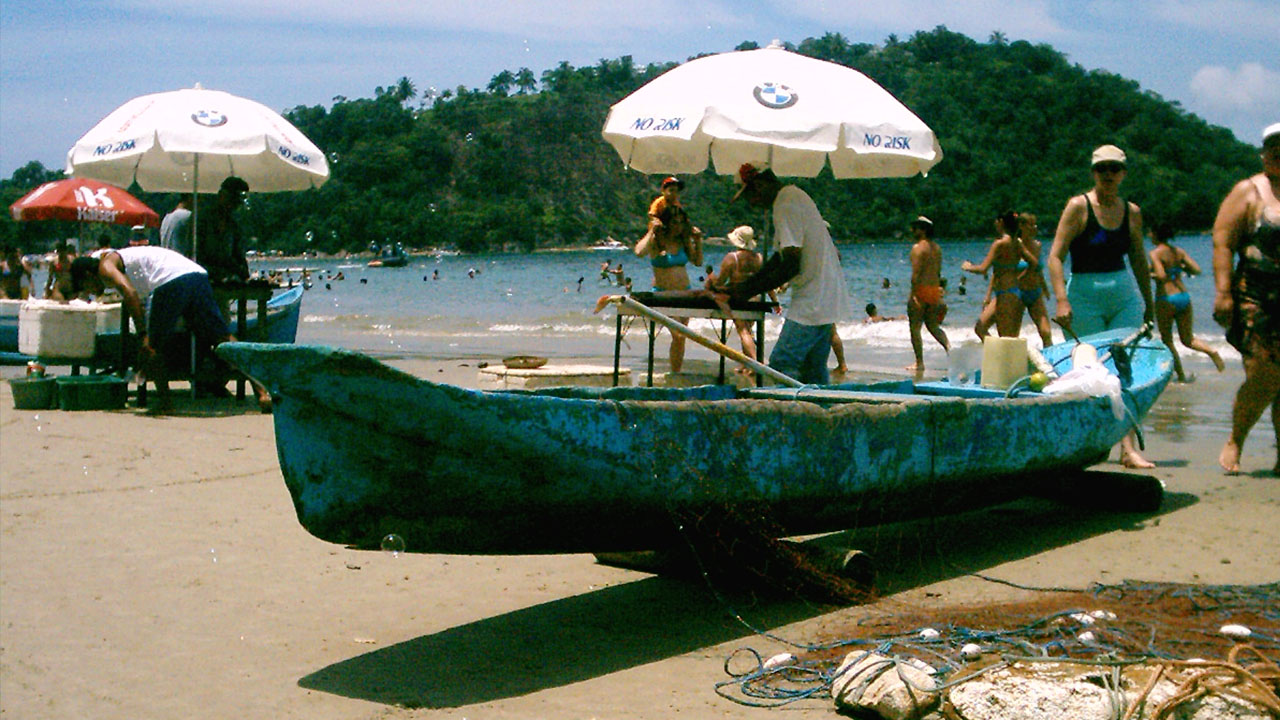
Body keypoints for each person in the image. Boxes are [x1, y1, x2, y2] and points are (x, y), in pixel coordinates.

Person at [1048, 144, 1155, 469]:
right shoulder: (1078, 207)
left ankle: (1127, 449)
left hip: (1123, 293)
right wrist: (1062, 299)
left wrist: (1148, 302)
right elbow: (1054, 257)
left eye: (1114, 169)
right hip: (1084, 294)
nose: (1108, 175)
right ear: (1093, 172)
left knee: (1127, 368)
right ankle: (1087, 440)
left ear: (1123, 173)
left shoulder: (1132, 211)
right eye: (1101, 169)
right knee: (1093, 369)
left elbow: (1138, 258)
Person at [69, 246, 272, 413]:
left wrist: (143, 334)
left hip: (169, 280)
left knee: (152, 347)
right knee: (222, 337)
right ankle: (262, 391)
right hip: (196, 274)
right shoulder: (119, 257)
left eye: (85, 286)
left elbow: (130, 294)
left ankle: (165, 403)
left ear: (88, 274)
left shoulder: (105, 266)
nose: (89, 292)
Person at [721, 163, 852, 384]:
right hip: (825, 296)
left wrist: (747, 290)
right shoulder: (792, 197)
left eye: (750, 195)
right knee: (813, 369)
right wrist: (746, 286)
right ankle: (821, 413)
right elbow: (777, 259)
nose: (752, 203)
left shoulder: (786, 204)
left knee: (782, 364)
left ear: (761, 185)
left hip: (813, 300)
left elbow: (791, 264)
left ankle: (790, 415)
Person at [1211, 122, 1280, 475]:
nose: (1279, 153)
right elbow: (1222, 241)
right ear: (1263, 154)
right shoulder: (1248, 191)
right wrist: (1222, 293)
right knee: (1264, 372)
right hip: (1254, 294)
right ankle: (1236, 438)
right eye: (1273, 148)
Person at [635, 177, 704, 373]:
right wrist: (652, 233)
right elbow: (639, 252)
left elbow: (698, 262)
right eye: (675, 222)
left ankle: (676, 372)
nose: (678, 225)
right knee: (679, 334)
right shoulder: (657, 242)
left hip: (685, 292)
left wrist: (698, 241)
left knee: (681, 337)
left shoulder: (682, 241)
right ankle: (674, 372)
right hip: (664, 293)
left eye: (681, 222)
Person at [1149, 222, 1224, 383]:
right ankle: (1212, 352)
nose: (1149, 235)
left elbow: (1161, 276)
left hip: (1166, 298)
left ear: (1155, 234)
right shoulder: (1179, 252)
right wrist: (1180, 269)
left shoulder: (1155, 253)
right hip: (1183, 296)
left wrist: (1150, 274)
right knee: (1188, 339)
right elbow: (1197, 269)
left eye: (1150, 233)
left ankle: (1181, 376)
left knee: (1167, 340)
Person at [705, 225, 776, 376]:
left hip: (739, 298)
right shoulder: (759, 258)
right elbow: (766, 282)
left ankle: (756, 363)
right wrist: (774, 300)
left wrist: (711, 279)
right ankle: (746, 364)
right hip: (755, 298)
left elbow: (720, 282)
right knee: (748, 331)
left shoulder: (732, 258)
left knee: (743, 331)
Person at [964, 210, 1030, 341]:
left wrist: (968, 267)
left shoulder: (1000, 244)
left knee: (1006, 338)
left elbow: (983, 269)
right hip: (1004, 293)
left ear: (1001, 222)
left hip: (1007, 294)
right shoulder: (1017, 243)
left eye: (996, 221)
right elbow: (1033, 264)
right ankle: (997, 357)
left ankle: (1009, 360)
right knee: (980, 328)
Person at [907, 216, 951, 374]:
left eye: (916, 228)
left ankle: (919, 362)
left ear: (923, 230)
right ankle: (950, 350)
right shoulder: (937, 249)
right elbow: (938, 272)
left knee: (915, 328)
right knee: (933, 326)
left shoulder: (918, 248)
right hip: (934, 290)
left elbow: (916, 274)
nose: (913, 231)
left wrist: (913, 295)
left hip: (921, 290)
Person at [196, 177, 250, 283]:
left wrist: (242, 272)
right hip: (203, 278)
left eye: (237, 202)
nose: (234, 206)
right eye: (232, 200)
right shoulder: (203, 220)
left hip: (226, 279)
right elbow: (196, 256)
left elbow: (238, 255)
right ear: (222, 195)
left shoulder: (233, 226)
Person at [1012, 213, 1054, 347]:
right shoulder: (1014, 245)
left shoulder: (1037, 245)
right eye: (1031, 224)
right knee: (1012, 335)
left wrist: (1045, 288)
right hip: (1017, 293)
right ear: (1021, 226)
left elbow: (1038, 270)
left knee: (1046, 332)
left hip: (1035, 292)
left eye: (1035, 224)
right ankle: (1013, 362)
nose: (1034, 227)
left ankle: (1051, 361)